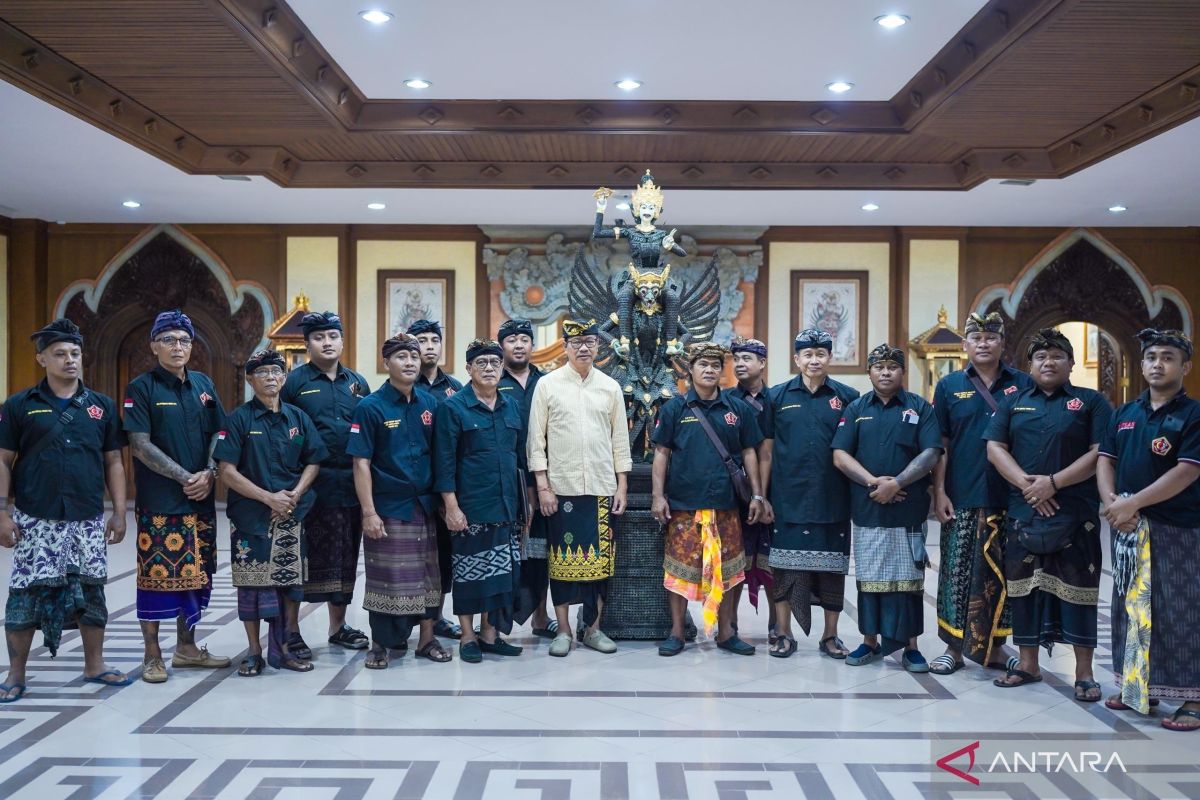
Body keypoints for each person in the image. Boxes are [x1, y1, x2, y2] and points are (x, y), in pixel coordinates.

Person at [1, 319, 132, 702]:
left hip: (86, 518)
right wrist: (2, 513)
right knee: (25, 593)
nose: (70, 360)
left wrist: (120, 511)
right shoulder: (18, 406)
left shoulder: (101, 407)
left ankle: (94, 664)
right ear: (42, 358)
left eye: (75, 353)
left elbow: (114, 463)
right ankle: (16, 673)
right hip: (34, 518)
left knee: (91, 592)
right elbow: (3, 460)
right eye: (60, 354)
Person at [985, 328, 1111, 701]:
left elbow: (1101, 452)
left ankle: (1085, 673)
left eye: (1057, 355)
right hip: (1024, 511)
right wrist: (1030, 486)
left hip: (1075, 513)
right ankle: (1028, 664)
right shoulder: (1012, 401)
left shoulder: (1092, 402)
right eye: (1040, 357)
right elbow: (995, 447)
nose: (1048, 362)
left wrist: (1053, 483)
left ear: (1071, 364)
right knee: (1024, 591)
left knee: (1078, 592)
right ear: (1030, 365)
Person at [1098, 328, 1200, 731]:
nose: (1158, 363)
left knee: (1180, 610)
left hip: (1177, 529)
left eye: (1168, 357)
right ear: (1141, 364)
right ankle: (1139, 686)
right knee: (1131, 609)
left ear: (1185, 366)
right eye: (1152, 356)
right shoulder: (1125, 412)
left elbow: (1187, 472)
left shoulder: (1193, 415)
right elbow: (1105, 460)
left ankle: (1193, 697)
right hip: (1127, 526)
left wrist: (1132, 503)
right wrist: (1112, 504)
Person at [124, 309, 231, 683]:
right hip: (160, 503)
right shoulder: (141, 388)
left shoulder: (203, 384)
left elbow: (221, 433)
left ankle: (186, 647)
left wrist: (210, 472)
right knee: (155, 578)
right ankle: (152, 653)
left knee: (198, 575)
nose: (177, 346)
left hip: (200, 501)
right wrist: (186, 476)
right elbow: (139, 444)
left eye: (184, 340)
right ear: (154, 345)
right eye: (168, 339)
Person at [929, 312, 1034, 675]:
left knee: (1006, 575)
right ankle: (952, 648)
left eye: (991, 337)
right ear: (965, 345)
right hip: (963, 493)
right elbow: (939, 444)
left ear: (1003, 343)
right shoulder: (948, 386)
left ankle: (998, 647)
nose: (984, 343)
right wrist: (939, 491)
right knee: (956, 574)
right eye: (977, 338)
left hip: (1013, 496)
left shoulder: (1023, 383)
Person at [214, 349, 328, 676]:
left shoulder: (297, 418)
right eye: (262, 373)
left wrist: (293, 495)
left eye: (276, 372)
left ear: (284, 377)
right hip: (251, 517)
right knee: (251, 585)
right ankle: (254, 652)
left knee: (290, 584)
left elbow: (314, 460)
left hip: (291, 514)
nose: (270, 378)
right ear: (251, 379)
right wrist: (268, 498)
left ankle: (285, 649)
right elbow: (227, 470)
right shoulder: (238, 419)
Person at [832, 343, 941, 672]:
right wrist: (874, 483)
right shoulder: (855, 409)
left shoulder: (920, 407)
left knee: (910, 581)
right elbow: (840, 455)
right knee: (869, 579)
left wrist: (898, 483)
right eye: (878, 367)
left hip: (908, 510)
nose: (885, 372)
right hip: (868, 510)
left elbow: (932, 453)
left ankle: (911, 647)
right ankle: (869, 641)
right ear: (869, 372)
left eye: (892, 367)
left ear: (902, 372)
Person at [652, 342, 766, 656]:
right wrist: (658, 496)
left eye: (716, 365)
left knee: (730, 570)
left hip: (727, 505)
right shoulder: (675, 408)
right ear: (691, 369)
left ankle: (727, 632)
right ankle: (676, 632)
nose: (710, 370)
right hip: (684, 505)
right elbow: (661, 454)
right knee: (678, 571)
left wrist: (757, 494)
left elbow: (749, 452)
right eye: (703, 364)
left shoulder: (736, 408)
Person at [528, 319, 632, 657]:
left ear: (598, 346)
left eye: (589, 341)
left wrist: (622, 485)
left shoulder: (610, 387)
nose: (583, 347)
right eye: (576, 342)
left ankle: (593, 629)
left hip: (602, 488)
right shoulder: (548, 385)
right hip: (562, 490)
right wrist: (542, 486)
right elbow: (535, 441)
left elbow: (620, 440)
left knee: (601, 566)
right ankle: (563, 630)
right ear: (566, 347)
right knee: (560, 563)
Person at [348, 333, 450, 668]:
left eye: (414, 357)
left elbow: (440, 454)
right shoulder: (370, 406)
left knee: (427, 576)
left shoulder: (430, 404)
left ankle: (426, 639)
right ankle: (380, 644)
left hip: (425, 506)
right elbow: (361, 462)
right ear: (386, 363)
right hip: (388, 507)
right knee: (386, 577)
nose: (409, 363)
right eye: (401, 357)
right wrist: (369, 512)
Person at [760, 329, 860, 659]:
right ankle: (784, 633)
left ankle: (830, 636)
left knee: (833, 569)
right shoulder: (776, 396)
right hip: (788, 498)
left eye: (820, 353)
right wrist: (762, 495)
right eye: (807, 354)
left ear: (830, 357)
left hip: (834, 497)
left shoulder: (848, 397)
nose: (814, 359)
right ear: (796, 359)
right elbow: (767, 452)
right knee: (785, 570)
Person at [280, 311, 371, 658]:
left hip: (348, 483)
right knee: (302, 559)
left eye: (333, 336)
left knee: (345, 557)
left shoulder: (357, 382)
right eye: (319, 337)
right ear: (307, 344)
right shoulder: (295, 383)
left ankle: (338, 627)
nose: (327, 342)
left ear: (343, 341)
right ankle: (291, 629)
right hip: (307, 485)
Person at [434, 339, 525, 663]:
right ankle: (468, 636)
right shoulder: (453, 407)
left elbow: (520, 457)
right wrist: (452, 507)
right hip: (470, 508)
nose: (489, 368)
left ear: (502, 368)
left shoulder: (510, 406)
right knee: (470, 574)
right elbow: (443, 463)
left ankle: (490, 634)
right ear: (468, 368)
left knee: (500, 576)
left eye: (494, 363)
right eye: (481, 363)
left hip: (505, 505)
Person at [496, 318, 554, 637]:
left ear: (532, 345)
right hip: (504, 480)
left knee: (539, 552)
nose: (519, 345)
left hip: (542, 479)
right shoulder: (491, 380)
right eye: (511, 340)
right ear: (502, 345)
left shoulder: (547, 382)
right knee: (502, 551)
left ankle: (541, 617)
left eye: (524, 339)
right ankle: (494, 620)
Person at [408, 318, 465, 641]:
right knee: (408, 557)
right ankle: (406, 618)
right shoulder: (403, 384)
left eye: (434, 340)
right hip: (409, 488)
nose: (428, 346)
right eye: (421, 340)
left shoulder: (454, 389)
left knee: (443, 557)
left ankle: (438, 616)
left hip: (445, 489)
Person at [723, 337, 777, 642]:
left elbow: (768, 450)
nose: (740, 364)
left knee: (770, 560)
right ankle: (729, 623)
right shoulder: (727, 399)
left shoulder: (777, 399)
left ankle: (775, 623)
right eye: (737, 359)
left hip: (770, 492)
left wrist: (764, 495)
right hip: (733, 492)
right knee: (736, 559)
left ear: (762, 363)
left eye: (747, 358)